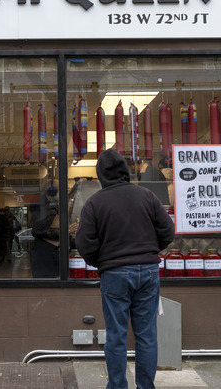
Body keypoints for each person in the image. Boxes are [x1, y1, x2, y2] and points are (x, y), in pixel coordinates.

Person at [75, 148, 175, 389]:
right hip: (149, 272)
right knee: (147, 336)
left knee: (116, 336)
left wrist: (103, 262)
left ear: (100, 175)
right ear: (126, 172)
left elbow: (84, 243)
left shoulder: (94, 203)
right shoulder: (146, 196)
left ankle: (118, 385)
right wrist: (150, 251)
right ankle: (145, 386)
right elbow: (167, 232)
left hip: (115, 274)